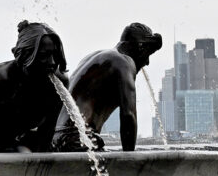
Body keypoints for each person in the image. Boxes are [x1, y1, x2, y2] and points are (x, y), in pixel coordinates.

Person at [53, 23, 164, 152]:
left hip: (58, 137)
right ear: (140, 47)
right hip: (76, 139)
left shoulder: (97, 56)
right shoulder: (124, 62)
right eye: (147, 55)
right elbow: (128, 115)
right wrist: (130, 160)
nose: (147, 62)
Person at [0, 21, 68, 153]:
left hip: (12, 140)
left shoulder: (58, 83)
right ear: (25, 55)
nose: (52, 62)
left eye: (55, 55)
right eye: (43, 56)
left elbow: (47, 131)